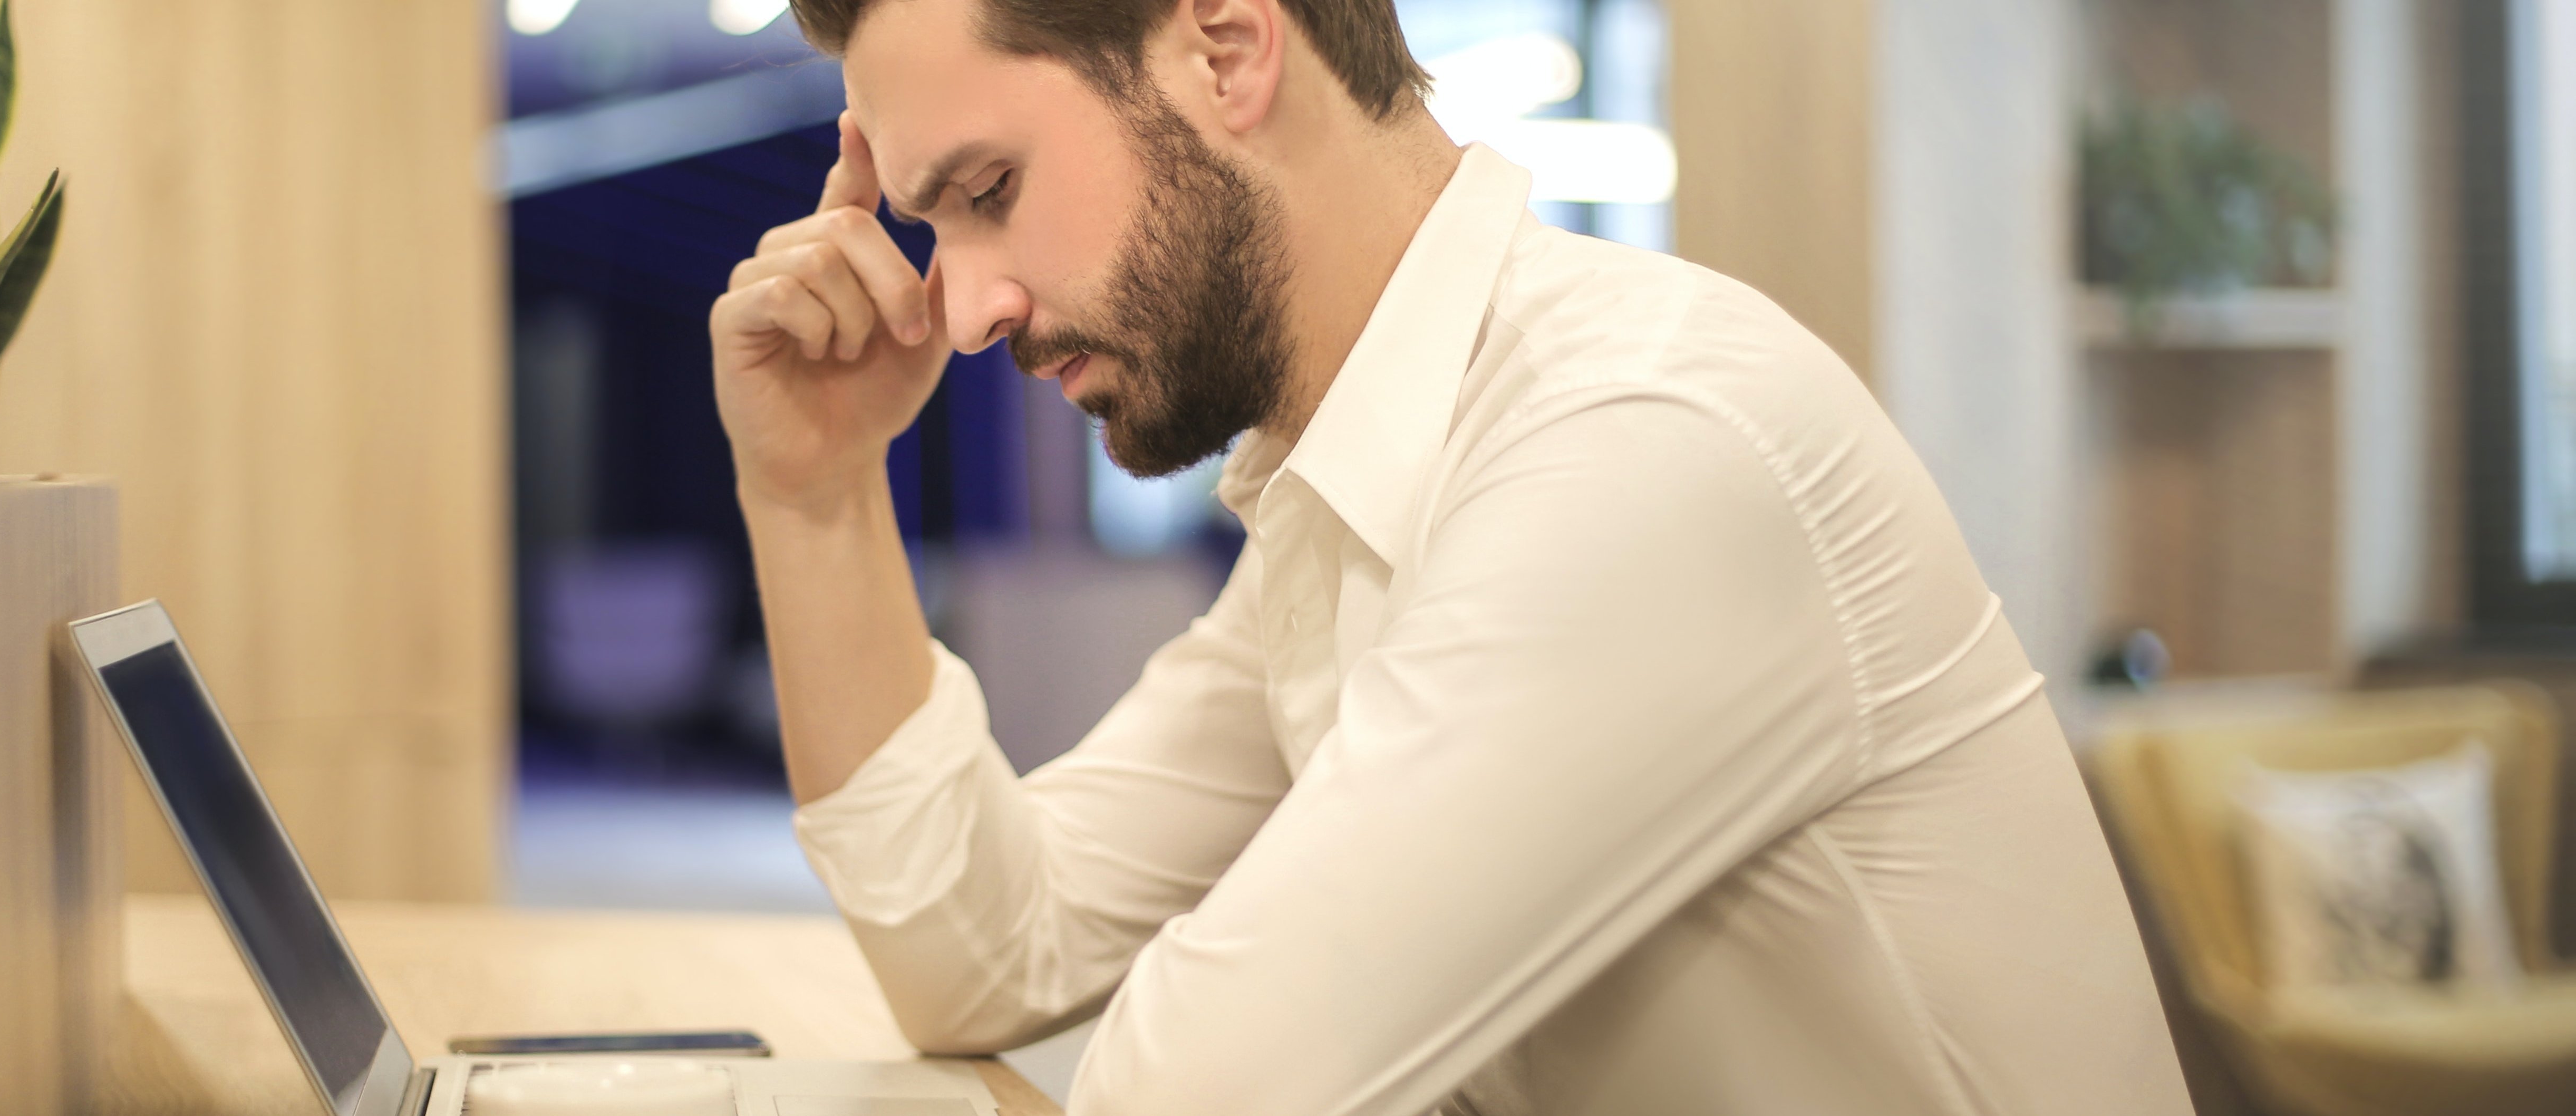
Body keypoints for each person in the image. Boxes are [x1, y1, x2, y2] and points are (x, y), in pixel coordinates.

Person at [704, 0, 2195, 1112]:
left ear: (1224, 50)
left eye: (989, 193)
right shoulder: (1344, 492)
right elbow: (989, 953)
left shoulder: (1639, 439)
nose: (961, 309)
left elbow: (1197, 1092)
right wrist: (817, 491)